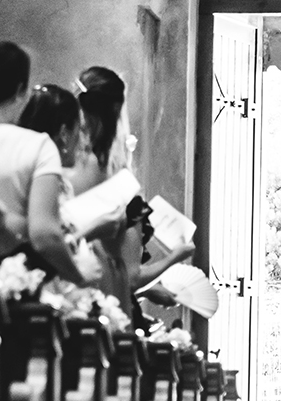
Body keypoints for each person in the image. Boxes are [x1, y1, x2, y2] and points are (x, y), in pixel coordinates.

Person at [0, 40, 90, 284]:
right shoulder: (37, 146)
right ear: (20, 90)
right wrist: (79, 277)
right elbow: (44, 235)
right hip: (12, 285)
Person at [71, 66, 194, 312]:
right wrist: (175, 257)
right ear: (119, 113)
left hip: (55, 295)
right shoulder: (123, 185)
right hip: (101, 308)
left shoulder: (54, 167)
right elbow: (130, 277)